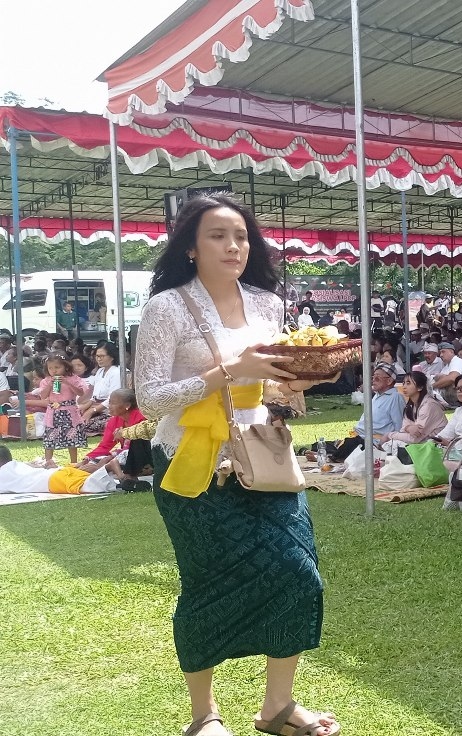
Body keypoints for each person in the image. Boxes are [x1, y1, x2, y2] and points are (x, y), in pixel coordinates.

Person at [132, 194, 338, 736]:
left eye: (242, 235)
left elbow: (268, 390)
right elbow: (150, 398)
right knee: (207, 584)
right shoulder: (167, 308)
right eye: (219, 235)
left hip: (261, 455)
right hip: (191, 464)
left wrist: (297, 384)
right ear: (192, 248)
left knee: (300, 575)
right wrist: (227, 371)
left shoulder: (267, 305)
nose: (234, 246)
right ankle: (204, 717)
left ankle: (278, 708)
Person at [327, 363, 403, 462]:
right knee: (322, 444)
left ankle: (327, 456)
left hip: (372, 442)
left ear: (389, 381)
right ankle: (328, 454)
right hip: (358, 437)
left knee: (351, 444)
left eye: (377, 378)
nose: (373, 381)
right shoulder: (377, 395)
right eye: (373, 377)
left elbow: (399, 427)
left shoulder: (395, 397)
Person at [28, 355, 90, 469]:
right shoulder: (46, 381)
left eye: (57, 367)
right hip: (53, 412)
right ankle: (48, 462)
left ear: (65, 367)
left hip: (69, 411)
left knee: (72, 437)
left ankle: (73, 463)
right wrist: (50, 385)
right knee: (50, 438)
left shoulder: (73, 378)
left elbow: (81, 393)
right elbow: (43, 396)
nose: (54, 370)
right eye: (50, 368)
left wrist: (68, 383)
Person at [383, 371, 448, 447]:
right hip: (423, 445)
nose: (404, 386)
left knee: (390, 445)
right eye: (403, 383)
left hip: (437, 447)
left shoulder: (429, 405)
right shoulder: (410, 405)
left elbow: (415, 439)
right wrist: (408, 428)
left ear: (420, 387)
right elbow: (403, 430)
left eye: (408, 383)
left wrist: (389, 435)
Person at [78, 344, 123, 436]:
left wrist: (92, 411)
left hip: (110, 410)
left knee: (83, 426)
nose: (99, 359)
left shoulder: (116, 372)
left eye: (102, 356)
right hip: (97, 407)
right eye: (97, 356)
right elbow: (94, 397)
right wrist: (85, 408)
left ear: (112, 357)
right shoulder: (100, 371)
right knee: (75, 418)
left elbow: (112, 399)